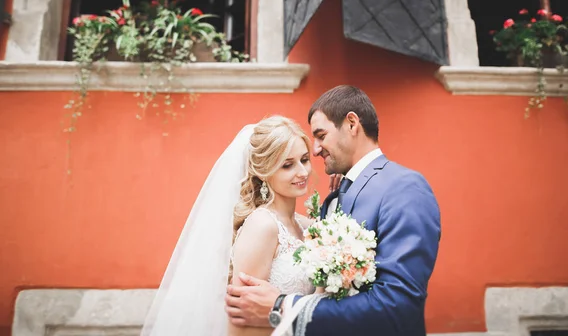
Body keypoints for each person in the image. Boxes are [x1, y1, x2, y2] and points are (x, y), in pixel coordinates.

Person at [225, 85, 442, 335]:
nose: (315, 151)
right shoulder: (334, 199)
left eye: (320, 135)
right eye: (288, 164)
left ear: (352, 123)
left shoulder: (403, 187)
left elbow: (398, 305)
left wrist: (283, 305)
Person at [140, 116, 323, 336]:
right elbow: (241, 326)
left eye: (304, 159)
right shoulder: (263, 226)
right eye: (287, 165)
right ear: (264, 172)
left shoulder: (308, 226)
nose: (302, 172)